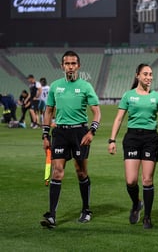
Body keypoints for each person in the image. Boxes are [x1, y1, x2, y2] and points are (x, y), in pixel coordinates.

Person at [40, 50, 101, 229]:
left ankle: (86, 210)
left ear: (78, 66)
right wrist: (45, 135)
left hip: (79, 132)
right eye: (67, 63)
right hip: (59, 132)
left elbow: (96, 111)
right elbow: (49, 111)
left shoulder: (86, 86)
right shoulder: (55, 86)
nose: (70, 67)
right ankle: (51, 215)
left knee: (81, 172)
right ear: (62, 66)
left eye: (73, 63)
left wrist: (92, 132)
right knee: (57, 171)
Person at [108, 63, 158, 229]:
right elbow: (119, 119)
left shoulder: (157, 97)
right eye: (145, 74)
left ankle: (147, 217)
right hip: (132, 138)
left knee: (147, 179)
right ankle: (137, 203)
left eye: (151, 74)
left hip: (151, 139)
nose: (149, 77)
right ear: (137, 75)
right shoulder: (128, 95)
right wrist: (112, 140)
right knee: (131, 181)